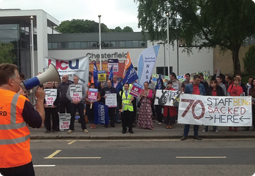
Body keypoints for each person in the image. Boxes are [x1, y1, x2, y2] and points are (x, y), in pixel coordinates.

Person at [0, 63, 45, 176]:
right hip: (18, 161)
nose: (20, 82)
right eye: (18, 79)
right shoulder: (19, 100)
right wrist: (39, 100)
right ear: (10, 82)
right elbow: (39, 122)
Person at [181, 75, 206, 141]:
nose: (199, 81)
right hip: (190, 105)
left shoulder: (201, 86)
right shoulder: (188, 86)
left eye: (199, 80)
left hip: (198, 105)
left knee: (196, 120)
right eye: (197, 80)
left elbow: (204, 94)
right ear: (194, 80)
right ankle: (185, 134)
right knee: (187, 120)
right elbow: (186, 95)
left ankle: (196, 134)